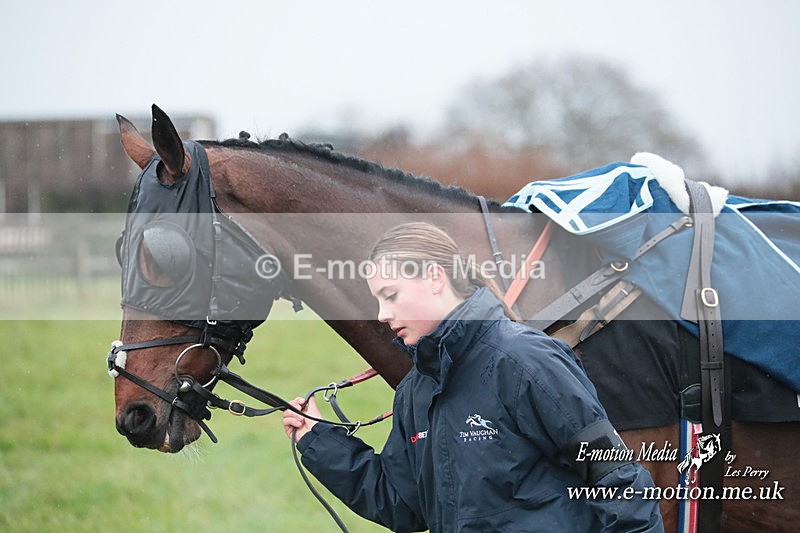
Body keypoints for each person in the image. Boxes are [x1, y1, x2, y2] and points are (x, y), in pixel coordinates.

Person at [282, 222, 663, 532]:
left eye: (391, 295)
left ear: (434, 278)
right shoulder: (416, 390)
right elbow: (404, 504)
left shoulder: (524, 360)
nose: (382, 314)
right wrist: (318, 441)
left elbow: (619, 480)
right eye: (378, 300)